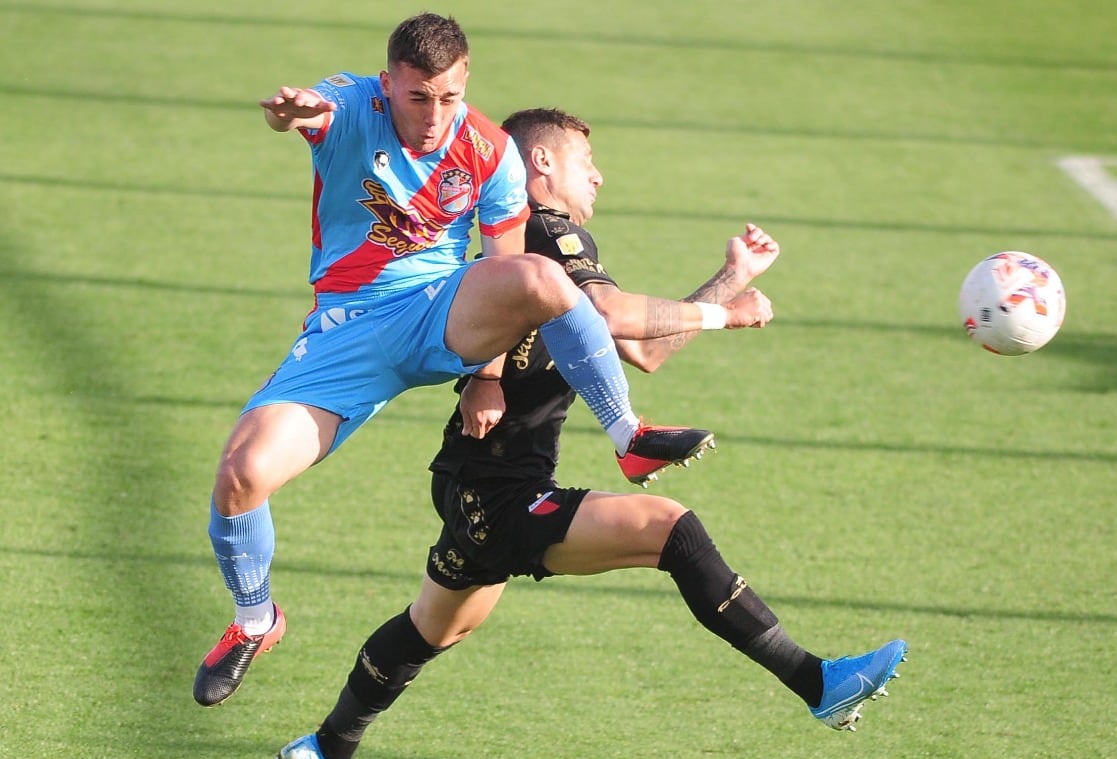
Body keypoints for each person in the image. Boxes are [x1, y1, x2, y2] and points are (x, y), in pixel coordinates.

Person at [274, 108, 908, 759]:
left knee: (436, 629)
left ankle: (327, 750)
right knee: (667, 529)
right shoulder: (544, 227)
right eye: (585, 160)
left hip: (477, 480)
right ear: (540, 165)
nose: (598, 175)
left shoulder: (540, 239)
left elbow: (642, 347)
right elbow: (611, 315)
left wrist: (730, 279)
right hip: (499, 485)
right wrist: (730, 316)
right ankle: (818, 681)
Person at [192, 14, 723, 708]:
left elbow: (507, 271)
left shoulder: (491, 150)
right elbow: (316, 112)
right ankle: (255, 620)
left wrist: (487, 376)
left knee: (540, 279)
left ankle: (627, 434)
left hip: (439, 309)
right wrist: (292, 114)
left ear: (464, 81)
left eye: (447, 98)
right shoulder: (354, 105)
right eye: (417, 98)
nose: (434, 116)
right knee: (241, 476)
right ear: (389, 86)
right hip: (347, 335)